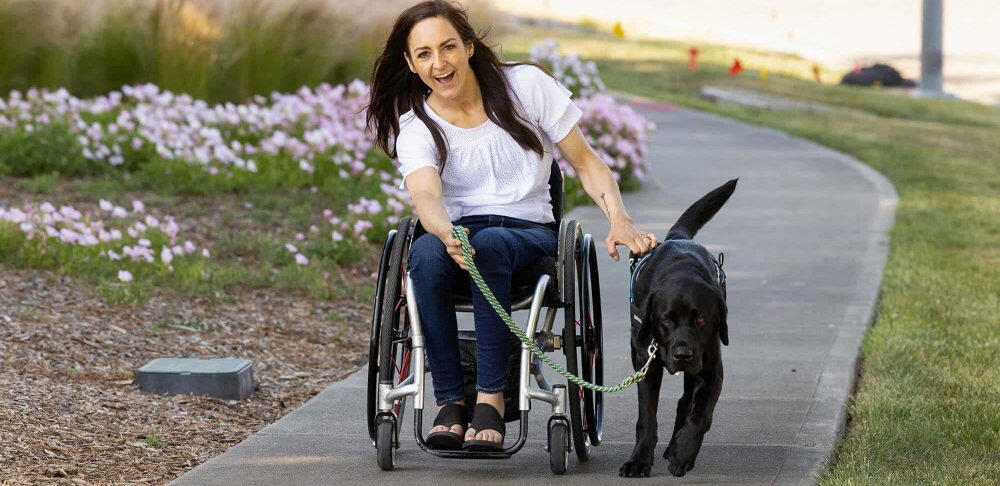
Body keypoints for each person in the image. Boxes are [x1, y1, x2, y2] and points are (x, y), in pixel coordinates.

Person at [365, 0, 657, 452]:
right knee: (423, 254)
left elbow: (586, 161)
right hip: (455, 233)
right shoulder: (417, 126)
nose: (439, 63)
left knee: (491, 243)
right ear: (411, 63)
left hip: (526, 233)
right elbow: (426, 196)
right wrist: (444, 233)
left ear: (469, 46)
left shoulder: (525, 87)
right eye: (424, 54)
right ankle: (448, 402)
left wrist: (619, 218)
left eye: (447, 47)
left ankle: (491, 399)